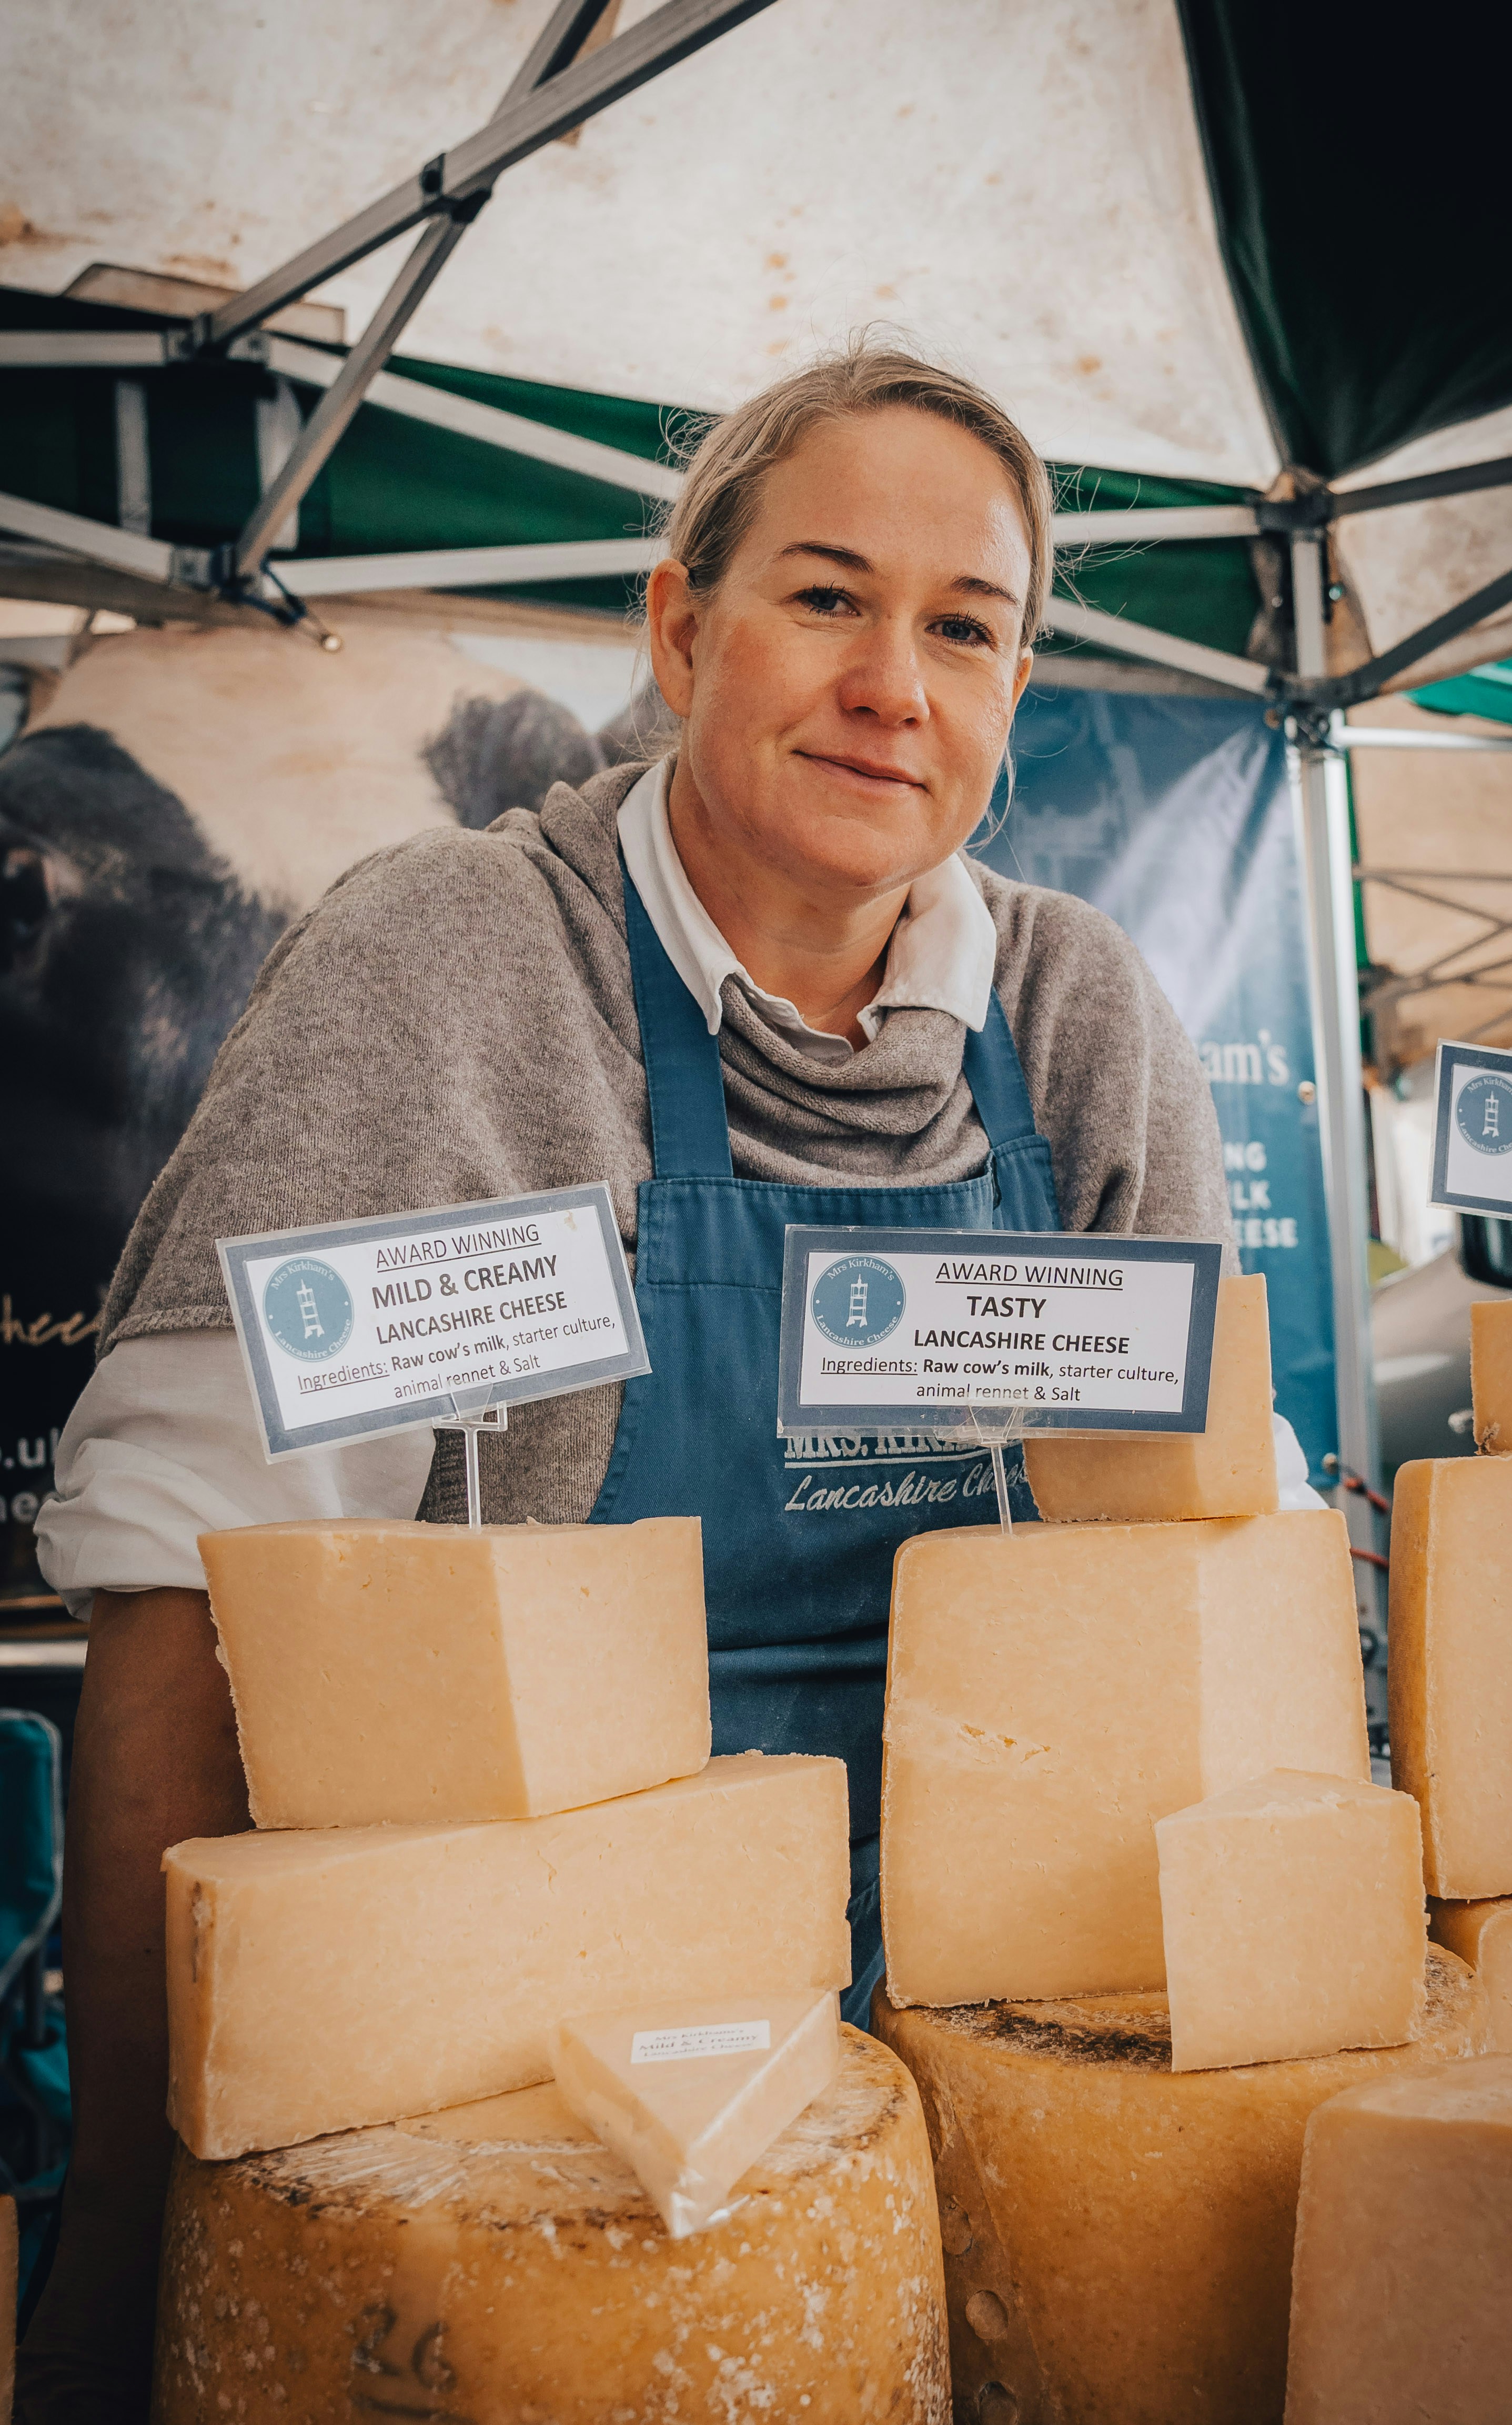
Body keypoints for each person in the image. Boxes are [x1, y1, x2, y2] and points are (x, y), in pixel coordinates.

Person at [22, 341, 1241, 2422]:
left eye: (967, 628)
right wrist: (136, 2254)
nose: (894, 684)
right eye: (828, 596)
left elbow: (1216, 1564)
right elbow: (183, 1599)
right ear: (681, 627)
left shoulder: (1076, 1011)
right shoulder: (467, 965)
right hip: (515, 2109)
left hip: (996, 2068)